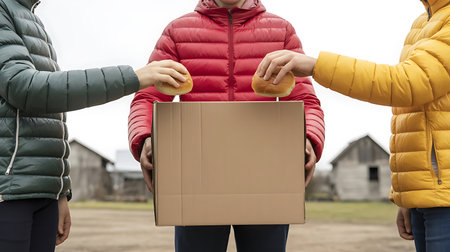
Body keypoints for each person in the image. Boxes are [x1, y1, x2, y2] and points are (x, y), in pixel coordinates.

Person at [128, 0, 325, 251]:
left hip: (265, 172)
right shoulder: (177, 31)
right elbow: (148, 96)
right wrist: (145, 136)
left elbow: (304, 99)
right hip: (196, 174)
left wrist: (310, 137)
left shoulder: (282, 31)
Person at [257, 0, 450, 251]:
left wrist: (316, 66)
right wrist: (407, 194)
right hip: (428, 195)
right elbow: (418, 114)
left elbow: (407, 84)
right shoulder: (424, 21)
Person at [0, 0, 187, 251]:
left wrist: (59, 191)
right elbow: (25, 87)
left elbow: (51, 114)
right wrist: (134, 77)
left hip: (41, 193)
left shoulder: (32, 19)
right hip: (9, 193)